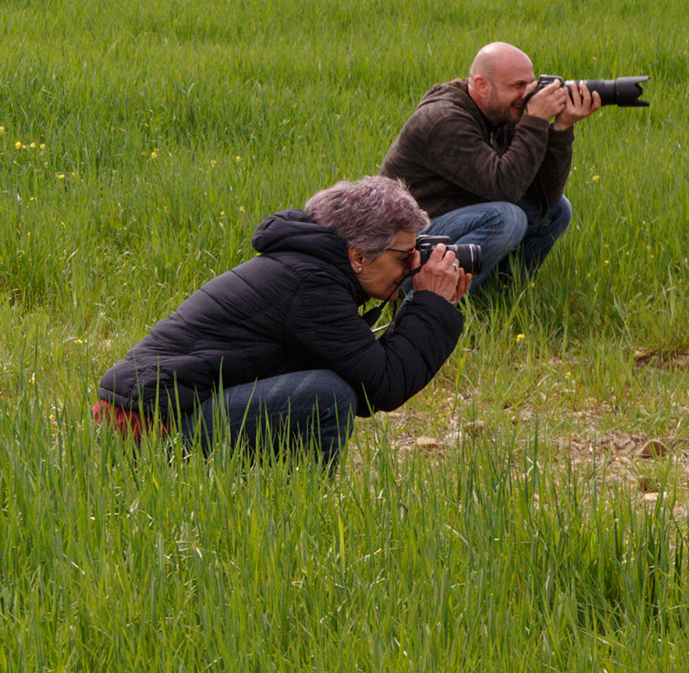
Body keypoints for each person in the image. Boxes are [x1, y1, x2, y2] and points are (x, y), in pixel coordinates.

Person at [91, 176, 468, 466]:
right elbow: (382, 386)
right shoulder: (309, 284)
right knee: (327, 394)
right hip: (145, 432)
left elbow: (370, 371)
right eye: (404, 257)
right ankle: (300, 506)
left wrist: (429, 304)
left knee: (326, 386)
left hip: (156, 414)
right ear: (358, 257)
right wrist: (430, 303)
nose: (412, 266)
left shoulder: (307, 269)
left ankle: (274, 496)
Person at [379, 41, 601, 293]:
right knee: (507, 218)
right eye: (517, 86)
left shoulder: (501, 111)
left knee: (558, 209)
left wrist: (562, 128)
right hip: (401, 245)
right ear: (481, 85)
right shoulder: (444, 120)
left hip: (446, 219)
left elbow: (544, 198)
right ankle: (430, 299)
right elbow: (503, 189)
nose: (527, 94)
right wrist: (536, 120)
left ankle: (499, 293)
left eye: (530, 84)